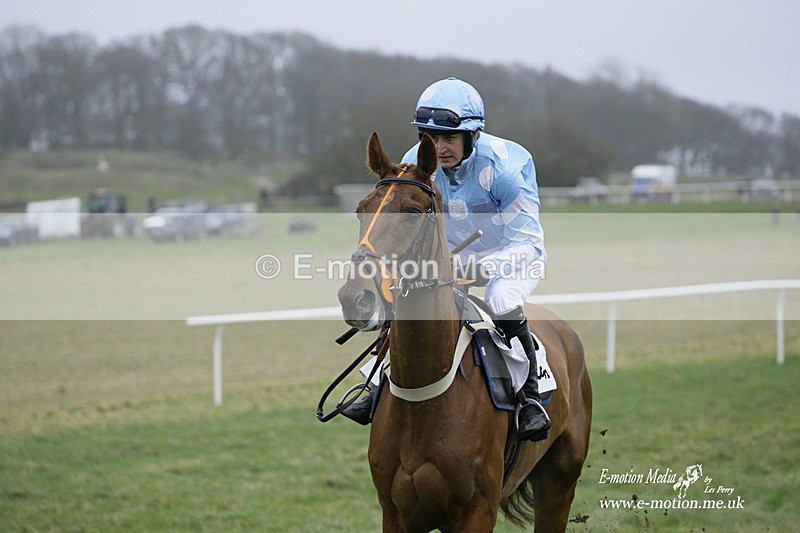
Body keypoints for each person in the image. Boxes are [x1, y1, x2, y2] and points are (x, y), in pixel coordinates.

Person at [342, 77, 550, 442]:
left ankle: (530, 396)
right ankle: (375, 382)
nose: (439, 148)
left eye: (450, 138)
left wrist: (479, 269)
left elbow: (527, 242)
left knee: (502, 300)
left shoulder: (507, 167)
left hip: (513, 255)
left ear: (473, 134)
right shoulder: (414, 163)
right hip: (447, 259)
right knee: (407, 299)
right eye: (431, 137)